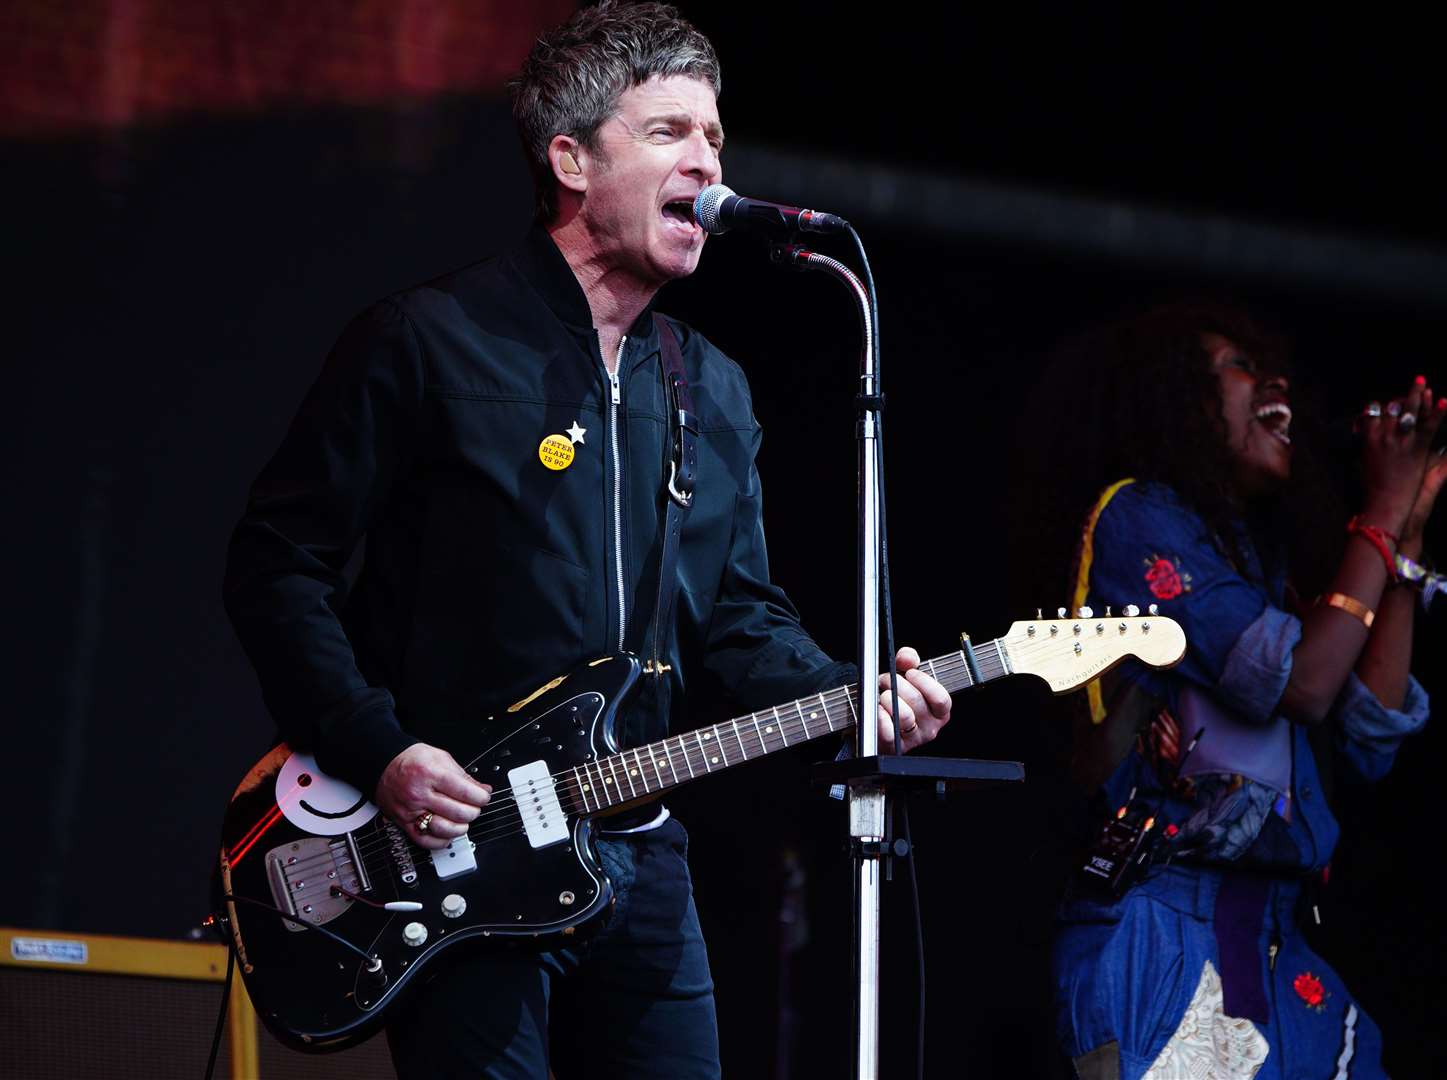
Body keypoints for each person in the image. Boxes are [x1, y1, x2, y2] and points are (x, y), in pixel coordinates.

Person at [221, 4, 951, 1077]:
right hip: (452, 849)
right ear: (569, 158)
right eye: (668, 133)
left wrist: (857, 694)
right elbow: (277, 565)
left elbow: (741, 624)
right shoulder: (428, 342)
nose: (705, 161)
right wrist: (381, 752)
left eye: (713, 136)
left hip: (639, 853)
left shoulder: (711, 387)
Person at [1013, 302, 1445, 1079]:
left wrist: (1403, 545)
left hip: (1279, 940)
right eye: (1239, 366)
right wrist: (1377, 516)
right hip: (1164, 933)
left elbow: (1369, 733)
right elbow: (1304, 686)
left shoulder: (1259, 559)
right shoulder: (1137, 517)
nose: (1271, 379)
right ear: (1179, 398)